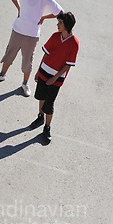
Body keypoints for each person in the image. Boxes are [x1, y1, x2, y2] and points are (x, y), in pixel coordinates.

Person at [0, 0, 62, 97]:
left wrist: (44, 17)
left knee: (27, 60)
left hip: (32, 35)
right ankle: (2, 74)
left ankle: (25, 83)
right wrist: (19, 8)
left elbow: (59, 12)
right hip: (17, 30)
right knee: (9, 53)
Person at [30, 12, 79, 142]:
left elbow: (68, 65)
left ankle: (47, 127)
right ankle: (40, 117)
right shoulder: (55, 36)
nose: (57, 24)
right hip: (44, 72)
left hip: (56, 79)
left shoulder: (74, 44)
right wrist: (38, 71)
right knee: (41, 96)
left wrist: (55, 77)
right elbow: (46, 54)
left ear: (67, 25)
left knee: (49, 103)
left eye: (60, 23)